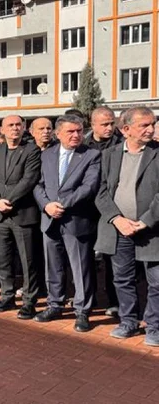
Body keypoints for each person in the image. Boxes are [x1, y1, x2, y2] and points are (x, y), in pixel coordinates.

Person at [95, 107, 159, 346]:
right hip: (119, 230)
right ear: (126, 129)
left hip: (151, 230)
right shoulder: (109, 155)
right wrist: (117, 219)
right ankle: (129, 322)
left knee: (157, 281)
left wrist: (145, 220)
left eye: (152, 124)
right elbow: (100, 192)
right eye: (144, 125)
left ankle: (154, 326)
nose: (150, 129)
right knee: (122, 279)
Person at [33, 114, 101, 332]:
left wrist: (60, 204)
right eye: (70, 131)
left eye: (79, 131)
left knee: (81, 268)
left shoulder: (91, 155)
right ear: (58, 133)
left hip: (76, 220)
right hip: (50, 219)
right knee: (53, 266)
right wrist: (46, 205)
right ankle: (55, 304)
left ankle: (82, 311)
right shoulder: (47, 155)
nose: (76, 135)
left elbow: (89, 187)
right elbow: (38, 184)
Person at [0, 115, 42, 318]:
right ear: (2, 129)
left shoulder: (32, 149)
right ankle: (7, 297)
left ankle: (29, 301)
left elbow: (29, 179)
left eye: (18, 125)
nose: (15, 128)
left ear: (24, 127)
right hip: (0, 215)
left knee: (28, 261)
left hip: (22, 213)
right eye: (10, 125)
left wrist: (8, 200)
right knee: (4, 259)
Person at [85, 106, 123, 316]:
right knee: (86, 257)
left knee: (112, 259)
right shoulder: (83, 144)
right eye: (104, 124)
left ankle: (114, 301)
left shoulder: (122, 143)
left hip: (112, 209)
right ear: (93, 125)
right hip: (87, 209)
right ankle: (87, 298)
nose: (110, 128)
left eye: (112, 123)